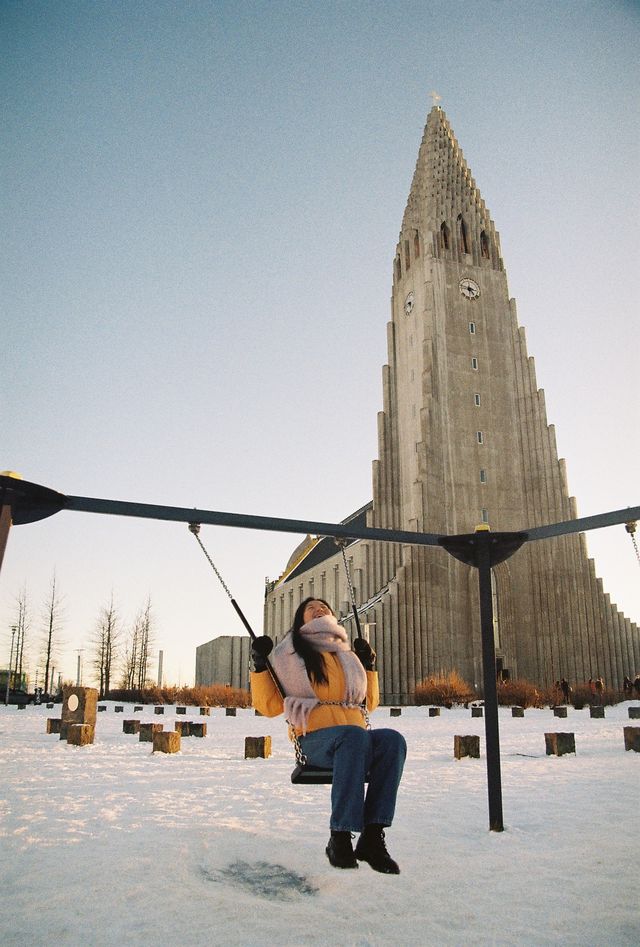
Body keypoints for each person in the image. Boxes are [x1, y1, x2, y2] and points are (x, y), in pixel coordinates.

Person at [250, 597, 407, 874]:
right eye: (311, 608)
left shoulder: (346, 655)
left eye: (323, 607)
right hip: (314, 741)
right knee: (353, 737)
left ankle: (372, 837)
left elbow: (367, 704)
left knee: (393, 740)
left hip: (353, 740)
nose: (319, 609)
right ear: (301, 620)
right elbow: (270, 706)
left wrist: (369, 667)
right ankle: (340, 837)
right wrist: (261, 666)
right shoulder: (290, 654)